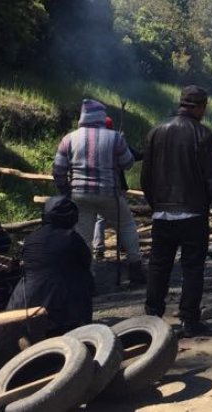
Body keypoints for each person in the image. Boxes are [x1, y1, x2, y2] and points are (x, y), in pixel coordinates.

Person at [141, 85, 212, 338]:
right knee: (192, 268)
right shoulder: (204, 135)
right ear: (200, 106)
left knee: (158, 266)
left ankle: (151, 317)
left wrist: (155, 205)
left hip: (163, 214)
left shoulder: (156, 132)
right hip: (193, 214)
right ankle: (189, 319)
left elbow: (146, 177)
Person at [53, 99, 143, 285]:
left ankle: (87, 278)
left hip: (79, 194)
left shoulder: (69, 139)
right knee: (126, 225)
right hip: (109, 193)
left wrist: (65, 191)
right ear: (102, 117)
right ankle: (135, 267)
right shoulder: (114, 138)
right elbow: (128, 163)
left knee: (83, 236)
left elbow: (58, 170)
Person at [7, 196, 93, 338]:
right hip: (62, 309)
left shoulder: (32, 237)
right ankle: (82, 324)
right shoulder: (72, 238)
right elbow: (86, 262)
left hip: (24, 304)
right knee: (84, 277)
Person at [90, 115, 143, 262]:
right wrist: (122, 144)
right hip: (114, 187)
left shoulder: (93, 142)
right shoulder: (115, 141)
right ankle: (126, 249)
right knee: (123, 222)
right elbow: (131, 159)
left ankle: (98, 248)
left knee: (99, 220)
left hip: (94, 187)